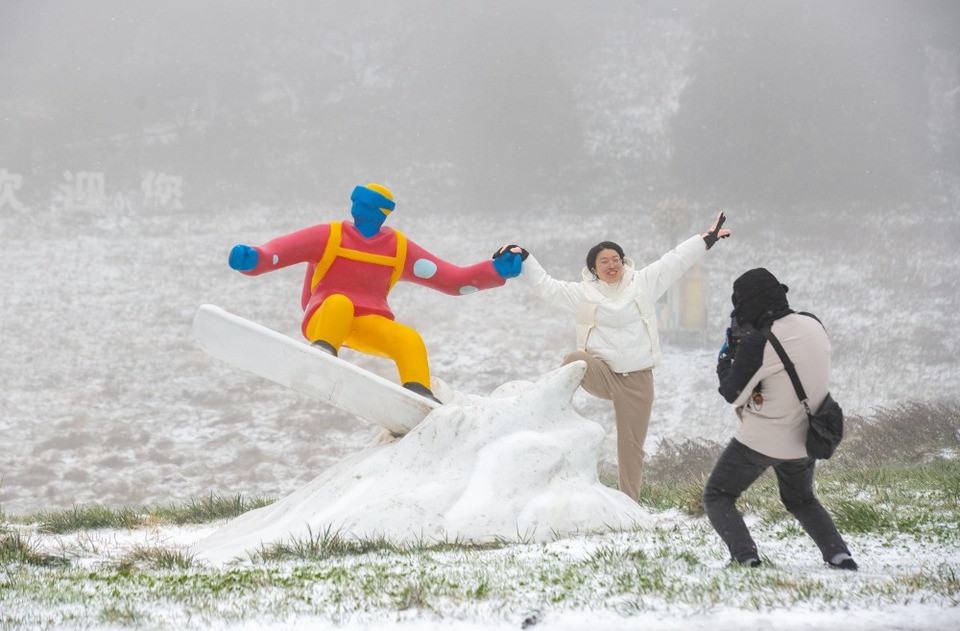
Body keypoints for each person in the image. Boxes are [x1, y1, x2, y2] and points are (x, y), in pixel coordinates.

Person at [504, 211, 731, 501]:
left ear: (624, 263)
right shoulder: (583, 294)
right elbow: (547, 287)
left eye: (616, 260)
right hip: (604, 374)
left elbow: (674, 261)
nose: (612, 265)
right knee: (575, 359)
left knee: (631, 445)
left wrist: (705, 240)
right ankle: (551, 409)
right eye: (604, 261)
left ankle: (629, 504)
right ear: (593, 268)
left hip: (638, 380)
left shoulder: (642, 284)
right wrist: (525, 257)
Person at [228, 183, 524, 403]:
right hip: (325, 319)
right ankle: (321, 355)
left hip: (368, 323)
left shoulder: (397, 247)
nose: (362, 209)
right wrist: (254, 258)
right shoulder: (329, 235)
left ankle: (419, 395)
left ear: (383, 213)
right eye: (359, 202)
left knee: (408, 339)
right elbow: (281, 251)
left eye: (369, 205)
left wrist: (495, 271)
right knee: (340, 304)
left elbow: (451, 279)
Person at [703, 267, 857, 570]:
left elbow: (732, 392)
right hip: (807, 437)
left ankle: (745, 556)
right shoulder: (813, 323)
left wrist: (726, 356)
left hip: (761, 442)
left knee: (718, 495)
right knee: (801, 499)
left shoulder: (757, 343)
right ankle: (839, 554)